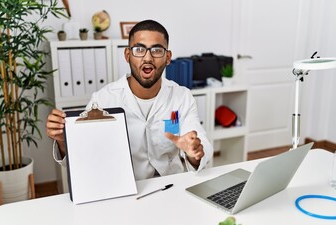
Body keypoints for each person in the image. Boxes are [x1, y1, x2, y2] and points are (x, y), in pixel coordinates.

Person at [46, 19, 213, 180]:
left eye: (156, 50)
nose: (147, 58)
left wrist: (194, 152)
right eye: (139, 50)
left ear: (167, 57)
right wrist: (62, 141)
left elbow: (200, 142)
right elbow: (83, 155)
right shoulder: (104, 99)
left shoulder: (181, 96)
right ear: (127, 55)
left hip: (170, 186)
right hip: (126, 189)